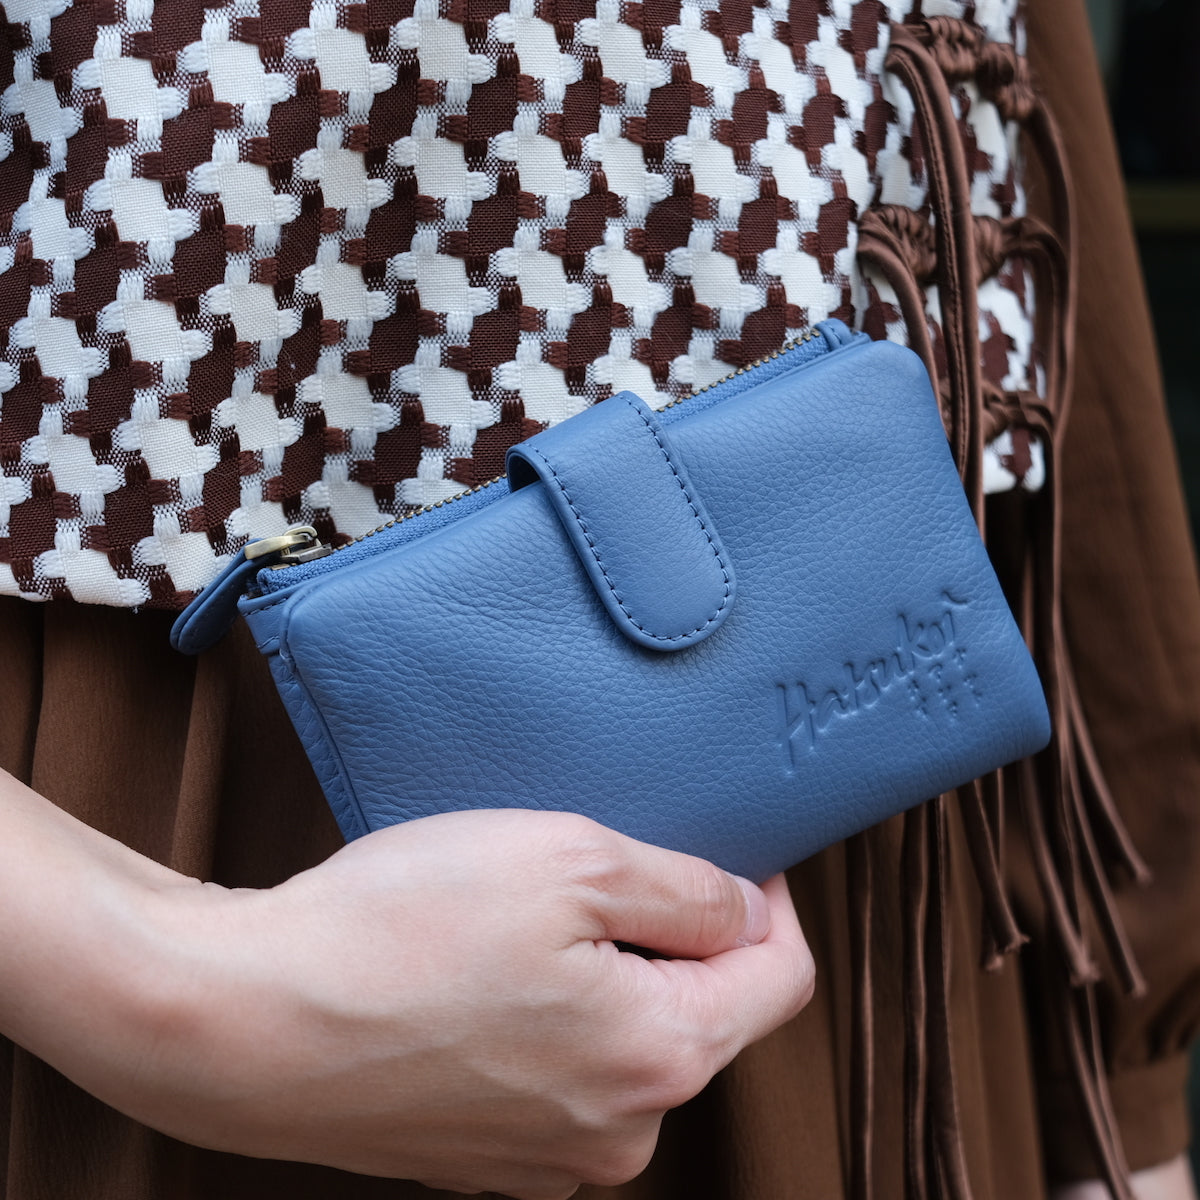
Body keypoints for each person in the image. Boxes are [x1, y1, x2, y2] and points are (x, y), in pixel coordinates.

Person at [0, 0, 1197, 1197]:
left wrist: (1125, 1099)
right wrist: (182, 991)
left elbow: (1013, 181)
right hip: (138, 853)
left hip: (890, 893)